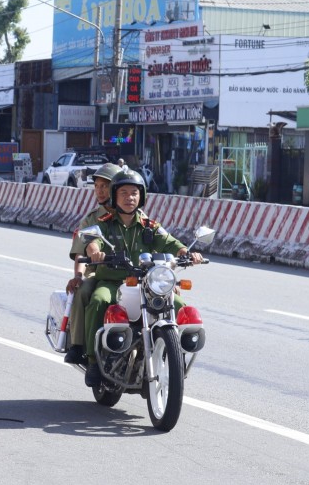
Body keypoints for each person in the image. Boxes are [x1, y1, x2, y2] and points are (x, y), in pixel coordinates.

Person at [82, 168, 204, 387]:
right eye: (124, 193)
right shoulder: (104, 223)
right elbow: (93, 242)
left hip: (147, 283)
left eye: (134, 193)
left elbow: (171, 243)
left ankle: (174, 355)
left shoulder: (149, 226)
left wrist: (188, 254)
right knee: (99, 300)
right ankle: (92, 360)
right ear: (114, 195)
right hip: (112, 282)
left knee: (178, 303)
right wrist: (94, 252)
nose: (130, 197)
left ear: (142, 196)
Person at [62, 161, 122, 365]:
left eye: (105, 186)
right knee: (84, 291)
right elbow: (82, 250)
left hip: (131, 274)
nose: (100, 191)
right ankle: (79, 345)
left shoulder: (131, 215)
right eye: (97, 186)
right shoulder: (91, 219)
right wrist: (78, 276)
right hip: (99, 272)